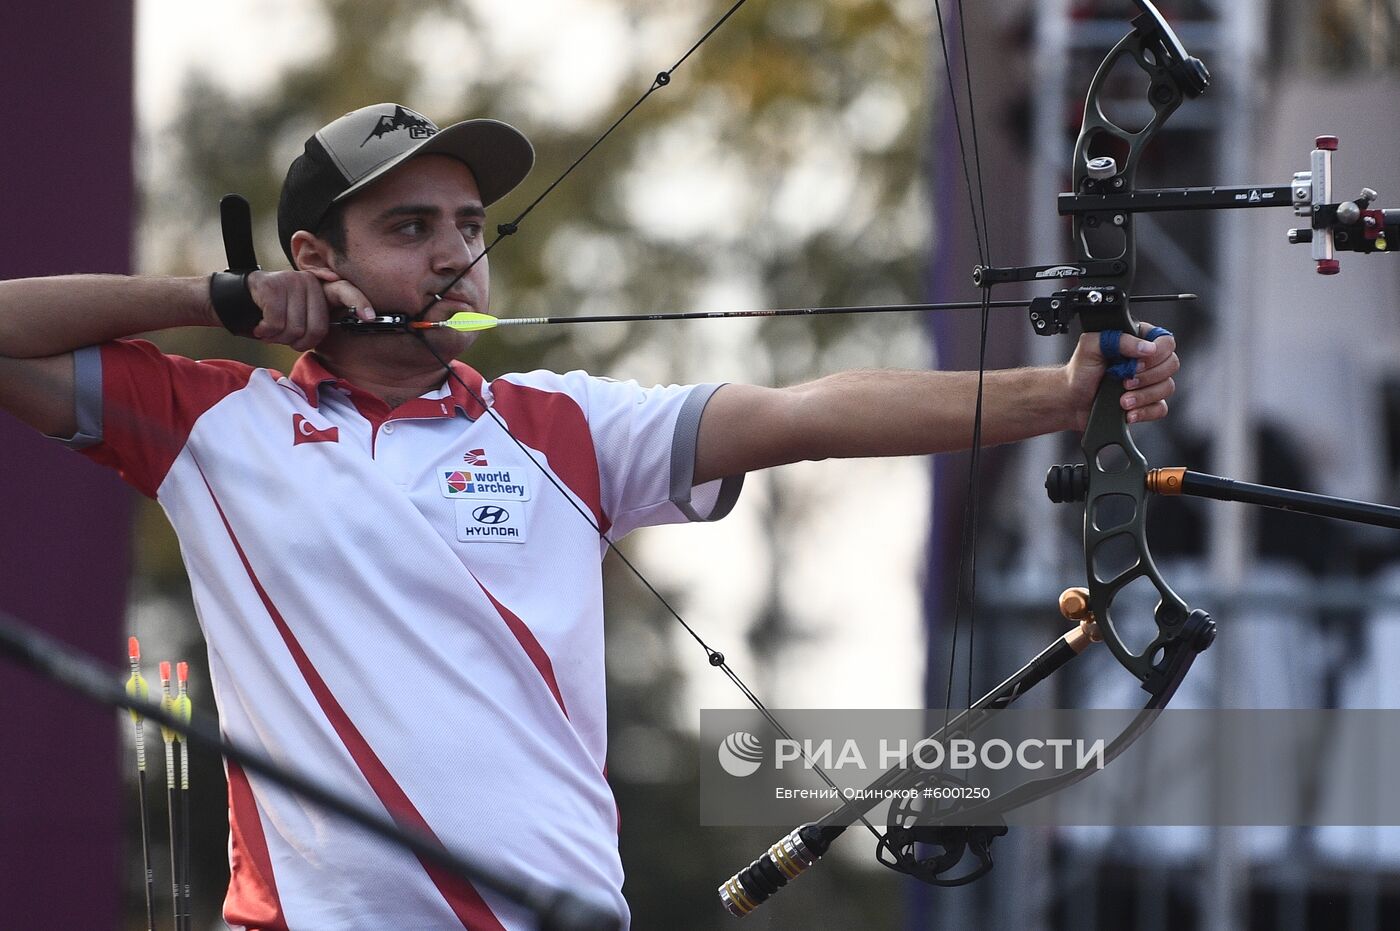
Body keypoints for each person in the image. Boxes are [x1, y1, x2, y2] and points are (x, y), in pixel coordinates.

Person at [0, 103, 1179, 929]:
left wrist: (1054, 396)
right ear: (314, 257)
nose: (457, 255)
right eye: (409, 229)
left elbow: (802, 412)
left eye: (468, 226)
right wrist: (212, 299)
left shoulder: (563, 424)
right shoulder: (217, 425)